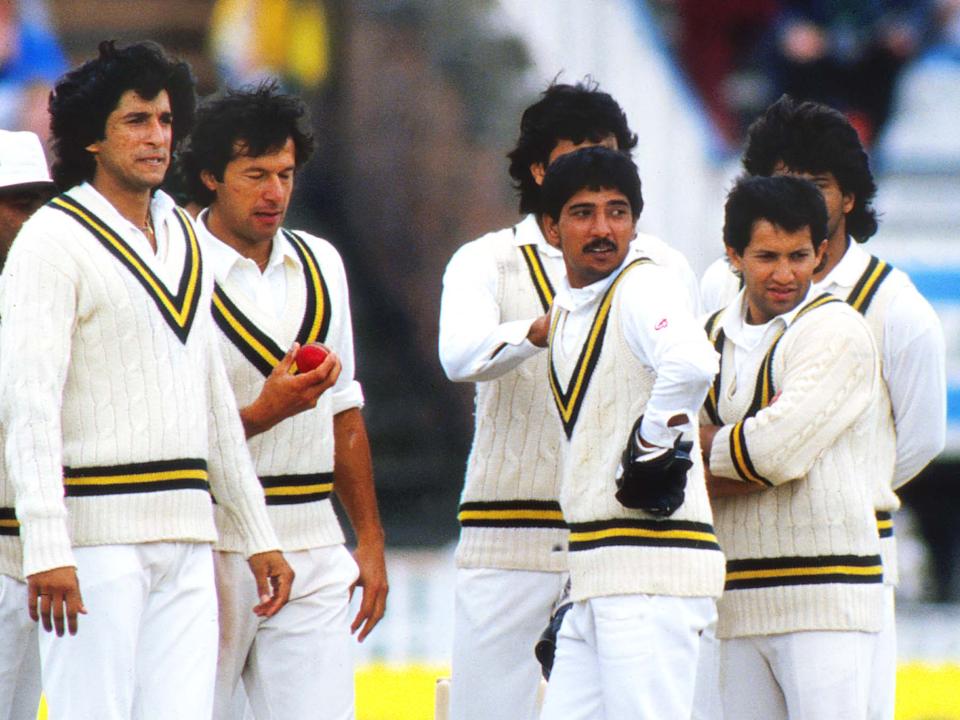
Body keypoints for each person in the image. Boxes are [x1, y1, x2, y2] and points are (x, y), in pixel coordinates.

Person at [0, 41, 293, 720]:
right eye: (136, 120)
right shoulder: (52, 238)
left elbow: (212, 396)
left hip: (189, 535)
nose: (157, 136)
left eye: (164, 120)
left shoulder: (186, 236)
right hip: (96, 540)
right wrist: (47, 546)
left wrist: (258, 533)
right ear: (92, 140)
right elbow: (30, 401)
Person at [699, 94, 946, 719]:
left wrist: (810, 479)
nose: (795, 197)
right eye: (780, 181)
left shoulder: (895, 305)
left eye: (816, 184)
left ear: (850, 199)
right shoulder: (718, 286)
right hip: (734, 573)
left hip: (847, 569)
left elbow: (914, 443)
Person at [438, 80, 650, 720]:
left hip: (618, 540)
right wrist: (536, 331)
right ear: (538, 169)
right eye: (578, 152)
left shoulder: (655, 267)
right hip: (508, 537)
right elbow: (459, 356)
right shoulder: (488, 261)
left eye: (609, 153)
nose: (595, 167)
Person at [179, 81, 388, 720]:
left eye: (286, 174)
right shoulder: (173, 262)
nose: (275, 193)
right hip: (208, 537)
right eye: (255, 174)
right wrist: (263, 413)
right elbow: (159, 423)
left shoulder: (322, 262)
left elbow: (345, 410)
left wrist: (371, 541)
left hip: (312, 533)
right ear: (211, 175)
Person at [537, 146, 724, 719]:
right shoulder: (573, 310)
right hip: (600, 572)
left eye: (618, 212)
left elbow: (692, 362)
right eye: (583, 212)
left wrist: (652, 446)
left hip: (650, 574)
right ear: (550, 227)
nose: (603, 229)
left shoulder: (643, 286)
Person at [700, 174, 894, 719]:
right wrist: (741, 454)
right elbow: (664, 454)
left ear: (822, 251)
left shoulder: (838, 331)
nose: (785, 274)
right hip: (735, 600)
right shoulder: (705, 336)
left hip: (826, 600)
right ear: (733, 254)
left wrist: (709, 447)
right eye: (766, 256)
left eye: (799, 255)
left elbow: (777, 452)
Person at [0, 128, 55, 720]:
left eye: (41, 202)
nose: (33, 218)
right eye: (18, 202)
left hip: (44, 549)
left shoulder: (49, 289)